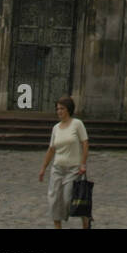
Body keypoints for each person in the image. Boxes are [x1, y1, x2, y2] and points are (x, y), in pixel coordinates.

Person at [39, 96, 90, 229]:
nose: (59, 111)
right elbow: (51, 149)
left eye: (62, 108)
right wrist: (43, 168)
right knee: (54, 200)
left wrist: (83, 164)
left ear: (68, 109)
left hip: (73, 169)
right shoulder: (56, 128)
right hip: (57, 168)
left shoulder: (77, 124)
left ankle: (85, 218)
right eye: (57, 109)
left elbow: (85, 143)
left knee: (68, 199)